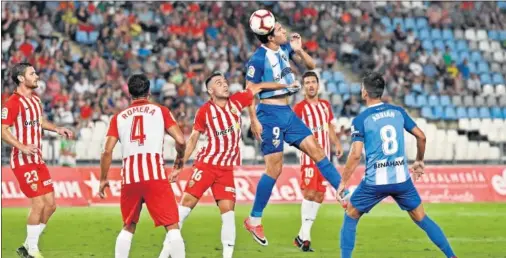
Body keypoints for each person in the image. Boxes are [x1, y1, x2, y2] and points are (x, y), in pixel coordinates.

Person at [243, 20, 343, 246]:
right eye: (279, 30)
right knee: (274, 169)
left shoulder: (285, 49)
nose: (285, 31)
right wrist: (254, 120)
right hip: (268, 115)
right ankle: (254, 219)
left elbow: (311, 64)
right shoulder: (258, 59)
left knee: (317, 149)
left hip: (287, 114)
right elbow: (250, 91)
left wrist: (299, 50)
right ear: (269, 37)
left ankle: (343, 192)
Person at [336, 72, 457, 258]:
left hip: (374, 182)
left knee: (351, 214)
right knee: (421, 217)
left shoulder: (361, 120)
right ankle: (451, 256)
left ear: (364, 93)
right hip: (402, 180)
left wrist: (343, 182)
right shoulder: (398, 112)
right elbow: (421, 136)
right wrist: (419, 161)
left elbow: (355, 155)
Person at [177, 72, 297, 258]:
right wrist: (179, 165)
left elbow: (258, 88)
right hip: (206, 165)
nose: (225, 85)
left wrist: (286, 85)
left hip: (226, 170)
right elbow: (193, 139)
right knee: (183, 211)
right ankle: (166, 252)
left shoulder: (236, 101)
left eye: (225, 82)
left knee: (229, 216)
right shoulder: (204, 111)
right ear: (210, 91)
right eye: (219, 83)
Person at [98, 74, 186, 258]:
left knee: (128, 226)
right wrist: (179, 160)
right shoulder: (160, 111)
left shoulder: (118, 117)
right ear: (149, 91)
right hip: (155, 176)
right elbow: (180, 139)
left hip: (130, 178)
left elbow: (106, 151)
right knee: (172, 226)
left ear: (129, 93)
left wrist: (103, 179)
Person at [1, 62, 73, 258]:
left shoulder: (35, 101)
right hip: (22, 160)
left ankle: (26, 245)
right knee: (39, 204)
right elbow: (2, 129)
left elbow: (39, 121)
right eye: (32, 73)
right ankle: (33, 250)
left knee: (51, 205)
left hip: (38, 159)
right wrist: (22, 146)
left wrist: (57, 128)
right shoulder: (13, 102)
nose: (37, 76)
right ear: (21, 79)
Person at [292, 71, 344, 252]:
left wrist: (336, 143)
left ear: (318, 85)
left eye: (313, 82)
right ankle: (306, 237)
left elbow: (329, 126)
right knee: (309, 194)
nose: (311, 85)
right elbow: (292, 131)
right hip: (308, 157)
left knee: (320, 195)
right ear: (303, 86)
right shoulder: (299, 108)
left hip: (325, 158)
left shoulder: (325, 105)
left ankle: (301, 236)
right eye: (307, 82)